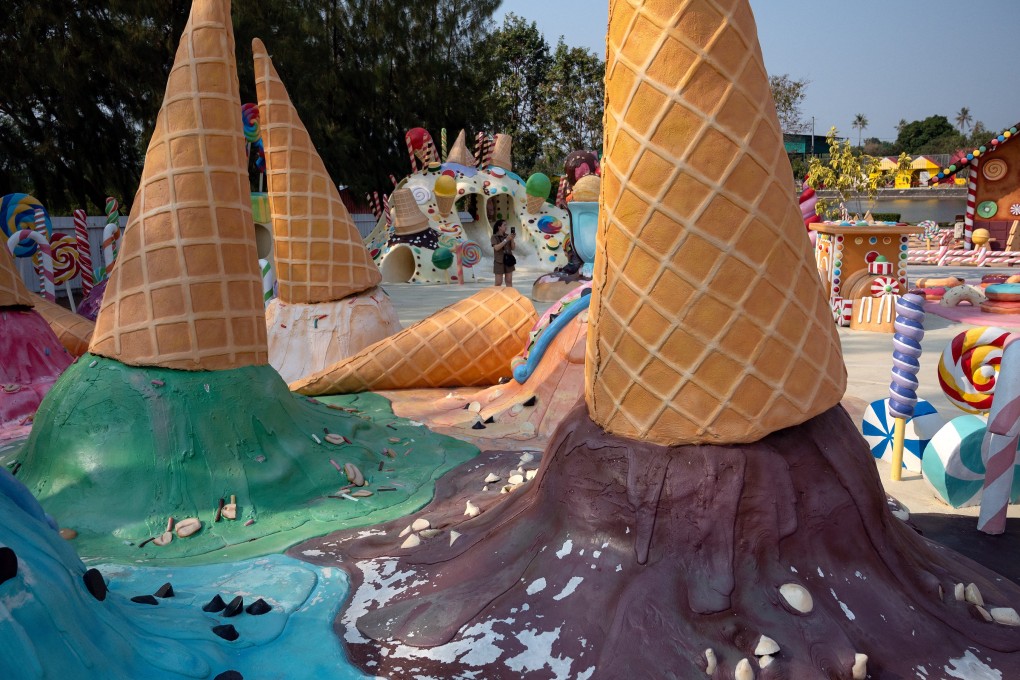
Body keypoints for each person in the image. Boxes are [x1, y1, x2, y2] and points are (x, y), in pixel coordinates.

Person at [491, 219, 515, 287]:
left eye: (506, 225)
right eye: (504, 225)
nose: (506, 227)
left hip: (509, 260)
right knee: (498, 282)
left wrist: (512, 239)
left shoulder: (508, 236)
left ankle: (509, 293)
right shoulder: (494, 237)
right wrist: (506, 240)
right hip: (499, 261)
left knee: (509, 281)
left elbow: (513, 248)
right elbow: (496, 248)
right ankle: (497, 294)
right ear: (499, 227)